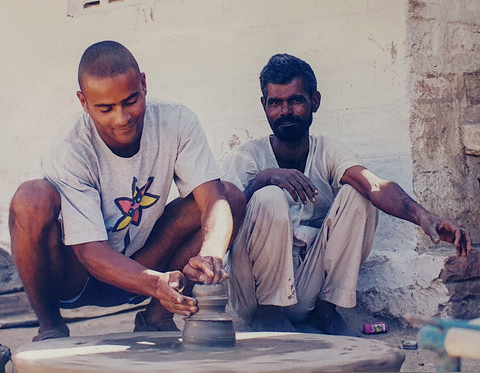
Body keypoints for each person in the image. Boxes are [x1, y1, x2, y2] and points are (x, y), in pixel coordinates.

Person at [8, 40, 245, 342]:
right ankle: (50, 325)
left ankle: (157, 318)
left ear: (144, 84)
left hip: (149, 262)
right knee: (31, 198)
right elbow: (90, 252)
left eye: (130, 101)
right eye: (105, 108)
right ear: (83, 102)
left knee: (230, 197)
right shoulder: (70, 149)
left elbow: (213, 199)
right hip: (80, 276)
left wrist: (211, 253)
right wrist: (151, 283)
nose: (121, 118)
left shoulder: (177, 122)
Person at [222, 53, 472, 335]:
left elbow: (373, 185)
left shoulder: (328, 151)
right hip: (254, 292)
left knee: (358, 195)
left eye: (295, 100)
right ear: (264, 106)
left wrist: (424, 218)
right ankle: (270, 316)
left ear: (314, 101)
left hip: (306, 288)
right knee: (268, 197)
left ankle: (326, 312)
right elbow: (225, 222)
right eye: (275, 103)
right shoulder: (247, 157)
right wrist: (265, 179)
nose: (285, 111)